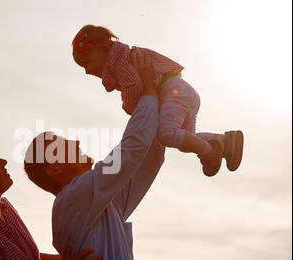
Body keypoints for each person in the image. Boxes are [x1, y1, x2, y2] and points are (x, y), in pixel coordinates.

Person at [24, 52, 164, 260]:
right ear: (54, 169)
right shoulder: (74, 196)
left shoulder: (101, 201)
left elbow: (150, 155)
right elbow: (132, 149)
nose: (76, 142)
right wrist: (149, 91)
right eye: (63, 145)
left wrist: (155, 101)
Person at [71, 24, 244, 177]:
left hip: (174, 91)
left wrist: (129, 106)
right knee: (186, 141)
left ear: (102, 48)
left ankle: (211, 151)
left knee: (166, 135)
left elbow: (133, 85)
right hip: (182, 91)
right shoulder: (122, 58)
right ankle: (225, 141)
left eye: (86, 63)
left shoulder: (120, 62)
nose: (87, 71)